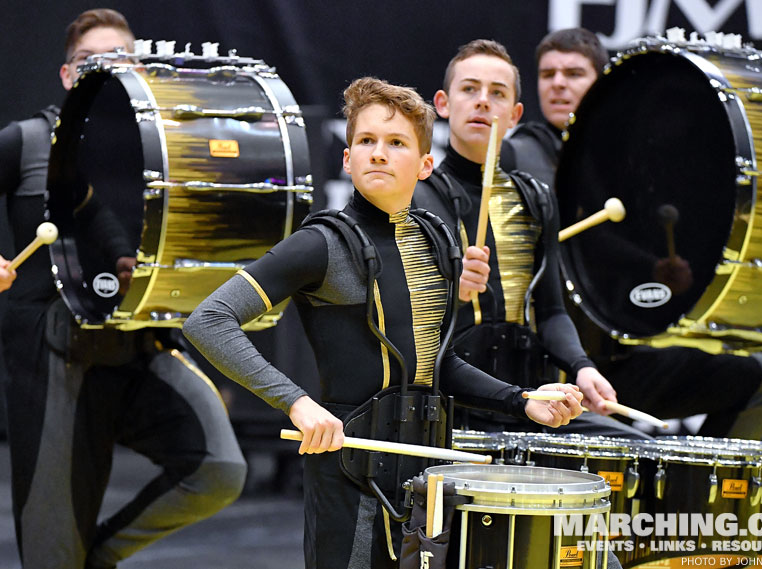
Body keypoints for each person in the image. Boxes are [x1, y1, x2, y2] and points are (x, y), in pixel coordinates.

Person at [183, 76, 583, 569]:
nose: (378, 153)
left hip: (428, 470)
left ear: (424, 165)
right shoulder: (321, 244)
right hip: (350, 470)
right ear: (347, 159)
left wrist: (520, 402)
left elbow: (437, 364)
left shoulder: (438, 242)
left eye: (396, 143)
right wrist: (297, 404)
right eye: (366, 141)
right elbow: (209, 320)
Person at [0, 9, 246, 568]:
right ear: (67, 77)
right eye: (92, 63)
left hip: (139, 343)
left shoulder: (164, 152)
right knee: (51, 557)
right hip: (52, 356)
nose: (107, 71)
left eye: (122, 61)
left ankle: (99, 557)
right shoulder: (30, 141)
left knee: (220, 470)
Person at [501, 27, 762, 439]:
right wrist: (644, 262)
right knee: (628, 445)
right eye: (548, 75)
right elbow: (582, 243)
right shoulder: (519, 155)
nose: (558, 84)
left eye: (573, 73)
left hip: (620, 360)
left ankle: (698, 493)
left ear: (603, 84)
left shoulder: (628, 162)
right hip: (554, 372)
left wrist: (664, 272)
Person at [413, 39, 648, 441]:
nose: (483, 102)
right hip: (448, 407)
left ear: (515, 115)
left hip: (534, 402)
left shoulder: (535, 198)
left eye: (498, 94)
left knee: (635, 451)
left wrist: (582, 366)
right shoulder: (417, 196)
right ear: (443, 104)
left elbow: (552, 310)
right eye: (470, 89)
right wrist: (455, 290)